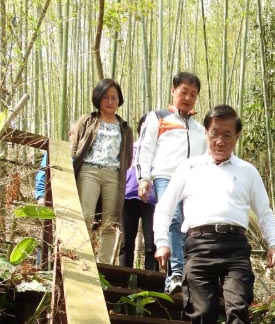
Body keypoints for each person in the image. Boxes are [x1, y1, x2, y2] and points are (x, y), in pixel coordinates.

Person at [153, 104, 275, 324]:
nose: (220, 141)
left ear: (236, 137)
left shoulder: (247, 171)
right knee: (203, 312)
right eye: (214, 134)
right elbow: (165, 208)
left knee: (238, 308)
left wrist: (273, 244)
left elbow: (264, 213)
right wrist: (162, 242)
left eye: (227, 135)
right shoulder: (189, 168)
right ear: (206, 134)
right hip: (198, 245)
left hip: (235, 247)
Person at [136, 71, 206, 292]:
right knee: (173, 219)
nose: (188, 98)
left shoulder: (199, 128)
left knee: (189, 225)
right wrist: (144, 178)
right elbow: (145, 149)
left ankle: (181, 276)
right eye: (184, 92)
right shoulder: (157, 117)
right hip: (166, 176)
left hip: (193, 180)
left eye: (193, 94)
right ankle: (176, 274)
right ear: (173, 91)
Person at [72, 79, 133, 264]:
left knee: (110, 222)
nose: (110, 101)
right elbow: (74, 148)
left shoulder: (125, 128)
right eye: (106, 97)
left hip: (114, 175)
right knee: (86, 215)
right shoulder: (87, 120)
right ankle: (83, 258)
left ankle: (104, 264)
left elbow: (128, 157)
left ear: (119, 100)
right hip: (89, 171)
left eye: (114, 97)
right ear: (98, 97)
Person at [119, 115, 157, 271]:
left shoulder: (159, 151)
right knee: (126, 242)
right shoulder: (129, 147)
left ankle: (151, 279)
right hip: (128, 198)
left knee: (152, 243)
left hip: (152, 200)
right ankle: (123, 277)